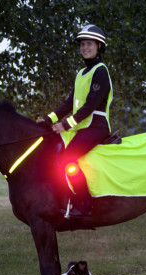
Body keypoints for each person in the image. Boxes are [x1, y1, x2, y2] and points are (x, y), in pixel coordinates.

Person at [39, 24, 113, 219]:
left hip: (97, 127)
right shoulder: (81, 74)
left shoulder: (101, 71)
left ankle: (85, 203)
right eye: (82, 44)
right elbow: (68, 104)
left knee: (67, 158)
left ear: (99, 46)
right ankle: (64, 197)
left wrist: (64, 125)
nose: (84, 48)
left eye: (89, 44)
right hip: (82, 127)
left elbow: (89, 106)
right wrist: (48, 119)